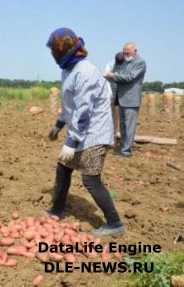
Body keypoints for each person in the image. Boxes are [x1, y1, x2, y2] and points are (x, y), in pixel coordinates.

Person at [46, 28, 124, 236]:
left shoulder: (85, 71)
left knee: (90, 179)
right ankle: (56, 211)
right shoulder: (68, 71)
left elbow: (84, 111)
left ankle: (115, 223)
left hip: (95, 133)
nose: (54, 56)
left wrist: (71, 142)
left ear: (67, 50)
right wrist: (58, 125)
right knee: (63, 168)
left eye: (56, 52)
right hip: (82, 132)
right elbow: (69, 104)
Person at [104, 42, 146, 157]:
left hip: (131, 100)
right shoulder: (125, 63)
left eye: (128, 53)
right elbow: (119, 74)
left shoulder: (140, 63)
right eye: (124, 53)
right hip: (121, 98)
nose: (126, 55)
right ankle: (123, 147)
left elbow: (130, 77)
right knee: (123, 125)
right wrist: (110, 76)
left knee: (129, 126)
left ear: (135, 51)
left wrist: (112, 75)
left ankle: (126, 151)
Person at [104, 52, 125, 135]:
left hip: (124, 93)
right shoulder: (110, 65)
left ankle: (120, 132)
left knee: (123, 115)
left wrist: (113, 75)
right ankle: (115, 132)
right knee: (114, 115)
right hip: (113, 93)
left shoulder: (129, 65)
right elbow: (106, 75)